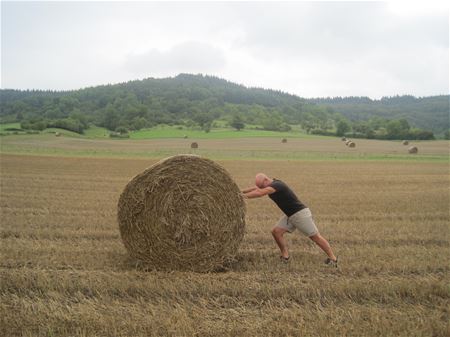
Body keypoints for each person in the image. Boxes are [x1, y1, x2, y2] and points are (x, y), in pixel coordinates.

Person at [241, 173, 338, 267]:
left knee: (315, 237)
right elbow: (256, 188)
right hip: (290, 215)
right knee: (276, 232)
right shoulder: (269, 184)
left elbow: (259, 192)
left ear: (266, 180)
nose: (261, 187)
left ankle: (333, 259)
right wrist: (238, 192)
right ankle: (285, 256)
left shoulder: (276, 185)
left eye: (262, 186)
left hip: (300, 214)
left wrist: (241, 197)